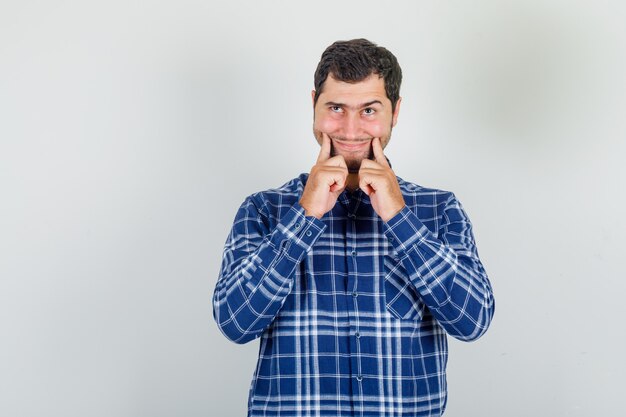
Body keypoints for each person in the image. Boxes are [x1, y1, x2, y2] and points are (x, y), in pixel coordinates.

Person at [213, 38, 495, 417]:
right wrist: (305, 216)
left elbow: (473, 321)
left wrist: (399, 218)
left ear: (395, 112)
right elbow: (235, 322)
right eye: (335, 108)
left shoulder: (438, 209)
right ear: (313, 105)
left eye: (368, 110)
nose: (350, 129)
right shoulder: (264, 210)